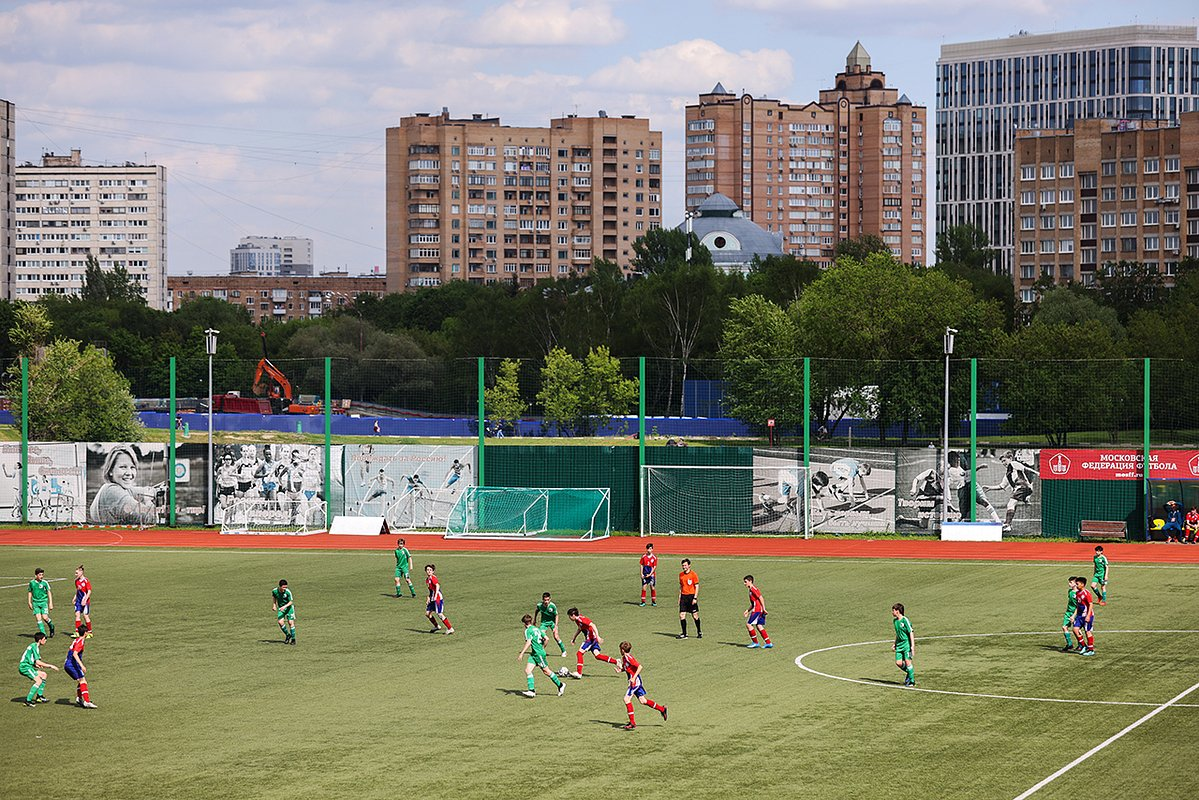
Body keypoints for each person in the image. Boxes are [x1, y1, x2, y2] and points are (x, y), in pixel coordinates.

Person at [88, 445, 160, 525]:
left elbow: (145, 490)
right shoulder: (112, 491)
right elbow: (152, 519)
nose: (129, 473)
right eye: (123, 467)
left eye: (132, 467)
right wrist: (148, 500)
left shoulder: (120, 487)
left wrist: (154, 491)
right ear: (110, 471)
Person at [615, 641, 667, 730]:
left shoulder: (629, 658)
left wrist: (634, 678)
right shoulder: (624, 658)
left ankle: (632, 723)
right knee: (643, 701)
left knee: (626, 699)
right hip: (635, 681)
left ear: (623, 650)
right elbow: (628, 668)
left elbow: (640, 667)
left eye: (620, 649)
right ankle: (662, 709)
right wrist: (621, 670)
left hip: (635, 682)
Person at [984, 451, 1036, 535]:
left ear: (1010, 458)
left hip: (1022, 486)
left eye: (1004, 460)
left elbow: (1026, 468)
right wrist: (990, 488)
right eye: (1002, 462)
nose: (1003, 463)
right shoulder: (1007, 474)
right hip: (1021, 489)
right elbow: (1001, 486)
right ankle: (1009, 524)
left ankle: (1007, 525)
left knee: (1010, 504)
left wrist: (1037, 473)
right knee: (1012, 505)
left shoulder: (1014, 464)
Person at [518, 614, 565, 698]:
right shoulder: (537, 629)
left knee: (546, 671)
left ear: (524, 623)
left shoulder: (528, 631)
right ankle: (531, 691)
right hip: (534, 654)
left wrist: (522, 653)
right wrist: (543, 647)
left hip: (538, 654)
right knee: (528, 670)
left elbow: (528, 642)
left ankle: (560, 685)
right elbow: (547, 638)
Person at [566, 607, 617, 678]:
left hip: (590, 639)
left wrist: (598, 636)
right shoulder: (577, 620)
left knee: (579, 653)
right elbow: (580, 629)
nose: (569, 618)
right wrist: (574, 638)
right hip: (592, 638)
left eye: (569, 616)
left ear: (573, 615)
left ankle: (579, 673)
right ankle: (617, 662)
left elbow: (593, 625)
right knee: (598, 656)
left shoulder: (582, 619)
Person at [18, 632, 57, 707]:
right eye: (44, 639)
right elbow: (38, 661)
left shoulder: (33, 645)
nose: (45, 640)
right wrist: (50, 666)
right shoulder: (35, 646)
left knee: (43, 675)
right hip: (25, 667)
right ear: (40, 640)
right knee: (38, 681)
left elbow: (29, 657)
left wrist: (35, 664)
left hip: (27, 666)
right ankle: (28, 701)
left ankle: (39, 697)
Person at [64, 624, 97, 708]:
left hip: (69, 663)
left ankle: (79, 698)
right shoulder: (80, 642)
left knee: (81, 680)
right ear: (85, 633)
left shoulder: (77, 639)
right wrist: (82, 665)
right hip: (72, 664)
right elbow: (75, 654)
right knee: (82, 681)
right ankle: (87, 701)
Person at [533, 592, 566, 657]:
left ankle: (564, 651)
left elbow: (556, 615)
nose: (546, 601)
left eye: (548, 600)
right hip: (544, 623)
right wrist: (534, 619)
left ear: (550, 599)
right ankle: (541, 651)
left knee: (556, 636)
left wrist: (556, 626)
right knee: (541, 636)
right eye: (545, 600)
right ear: (542, 599)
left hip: (552, 623)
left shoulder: (552, 606)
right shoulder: (540, 605)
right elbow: (536, 611)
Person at [743, 575, 772, 649]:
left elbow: (761, 597)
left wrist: (764, 608)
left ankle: (755, 643)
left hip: (757, 610)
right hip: (758, 609)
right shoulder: (750, 590)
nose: (744, 583)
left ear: (750, 581)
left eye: (745, 582)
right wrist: (747, 610)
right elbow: (754, 603)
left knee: (749, 625)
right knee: (759, 626)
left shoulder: (753, 589)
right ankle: (768, 643)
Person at [424, 564, 454, 634]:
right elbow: (431, 590)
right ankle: (437, 626)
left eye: (430, 570)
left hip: (437, 599)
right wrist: (428, 597)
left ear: (433, 571)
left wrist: (436, 594)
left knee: (440, 614)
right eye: (427, 570)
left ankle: (450, 628)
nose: (429, 571)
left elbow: (437, 585)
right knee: (428, 614)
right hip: (432, 598)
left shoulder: (433, 578)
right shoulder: (427, 580)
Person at [892, 603, 915, 687]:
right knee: (898, 663)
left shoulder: (905, 620)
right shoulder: (895, 621)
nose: (892, 612)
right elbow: (898, 633)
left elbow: (911, 632)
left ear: (897, 611)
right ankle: (909, 673)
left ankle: (912, 681)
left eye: (893, 610)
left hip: (906, 645)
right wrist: (895, 643)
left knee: (908, 662)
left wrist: (912, 646)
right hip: (899, 645)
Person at [27, 567, 55, 638]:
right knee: (38, 618)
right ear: (36, 575)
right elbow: (30, 592)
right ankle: (43, 634)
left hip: (43, 602)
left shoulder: (45, 583)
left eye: (42, 575)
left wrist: (50, 603)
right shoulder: (32, 583)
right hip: (35, 603)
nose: (41, 576)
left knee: (45, 617)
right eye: (40, 575)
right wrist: (29, 602)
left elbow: (49, 592)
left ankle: (51, 627)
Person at [677, 558, 701, 639]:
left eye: (685, 565)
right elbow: (681, 586)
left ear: (689, 566)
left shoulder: (693, 575)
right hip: (684, 597)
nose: (684, 567)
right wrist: (679, 597)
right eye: (683, 565)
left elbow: (697, 586)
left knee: (695, 616)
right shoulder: (681, 575)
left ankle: (699, 631)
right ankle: (684, 633)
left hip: (691, 596)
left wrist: (695, 597)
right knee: (682, 615)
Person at [1071, 577, 1095, 656]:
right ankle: (1084, 645)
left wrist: (1088, 616)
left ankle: (1091, 650)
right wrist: (1074, 616)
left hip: (1086, 615)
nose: (1076, 585)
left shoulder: (1086, 593)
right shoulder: (1077, 593)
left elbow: (1091, 604)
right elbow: (1078, 606)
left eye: (1077, 584)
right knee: (1075, 629)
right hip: (1079, 616)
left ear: (1082, 584)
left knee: (1087, 632)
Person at [272, 579, 296, 644]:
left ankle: (293, 639)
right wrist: (274, 605)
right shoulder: (274, 591)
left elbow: (291, 602)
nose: (285, 588)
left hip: (289, 608)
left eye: (286, 587)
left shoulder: (288, 592)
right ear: (280, 586)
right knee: (280, 622)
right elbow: (274, 597)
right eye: (283, 587)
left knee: (290, 622)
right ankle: (288, 635)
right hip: (281, 608)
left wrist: (284, 607)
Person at [1059, 576, 1079, 652]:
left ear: (1076, 584)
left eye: (1071, 582)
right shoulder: (1070, 591)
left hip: (1075, 613)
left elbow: (1078, 606)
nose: (1069, 584)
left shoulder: (1078, 594)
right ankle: (1069, 644)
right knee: (1064, 627)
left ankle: (1081, 644)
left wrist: (1074, 615)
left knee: (1077, 630)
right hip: (1068, 612)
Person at [73, 565, 92, 638]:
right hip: (78, 601)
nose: (75, 574)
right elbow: (78, 590)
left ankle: (89, 632)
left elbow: (89, 591)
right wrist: (74, 598)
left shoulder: (86, 581)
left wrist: (85, 600)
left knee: (85, 615)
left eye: (77, 573)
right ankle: (77, 632)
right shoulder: (76, 581)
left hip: (85, 601)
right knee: (77, 615)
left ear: (81, 572)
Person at [639, 542, 658, 607]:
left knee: (652, 588)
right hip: (645, 574)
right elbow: (641, 565)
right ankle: (643, 602)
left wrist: (650, 574)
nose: (649, 550)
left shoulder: (654, 557)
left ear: (652, 549)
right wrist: (641, 573)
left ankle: (653, 601)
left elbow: (654, 567)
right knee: (644, 588)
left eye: (650, 549)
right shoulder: (644, 556)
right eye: (648, 549)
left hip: (651, 575)